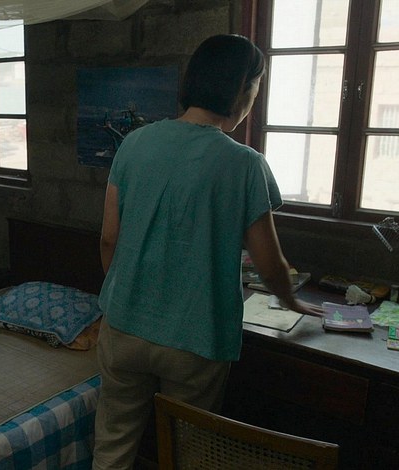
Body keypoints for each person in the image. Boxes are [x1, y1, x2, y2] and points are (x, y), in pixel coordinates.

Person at [91, 34, 324, 470]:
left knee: (113, 445)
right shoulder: (244, 164)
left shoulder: (134, 143)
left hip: (122, 326)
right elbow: (269, 263)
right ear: (242, 90)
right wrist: (291, 300)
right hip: (194, 338)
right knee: (191, 453)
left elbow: (109, 239)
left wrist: (127, 292)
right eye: (256, 89)